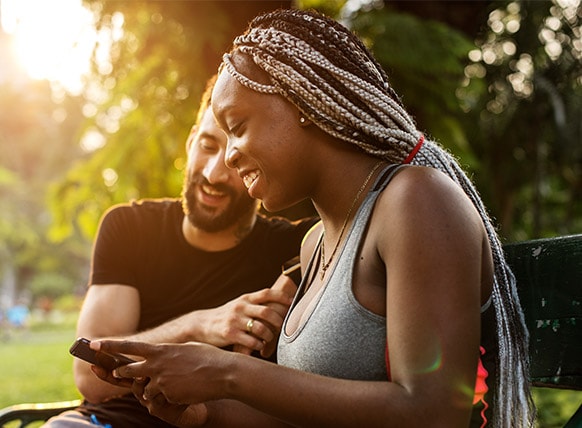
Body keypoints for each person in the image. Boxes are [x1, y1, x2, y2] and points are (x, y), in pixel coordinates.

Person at [92, 8, 536, 427]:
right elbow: (306, 416)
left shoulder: (416, 201)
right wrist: (205, 414)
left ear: (303, 103)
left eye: (238, 127)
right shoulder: (315, 244)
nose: (229, 157)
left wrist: (230, 374)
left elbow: (434, 413)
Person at [42, 75, 317, 428]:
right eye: (207, 146)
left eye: (237, 157)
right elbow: (89, 377)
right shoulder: (129, 226)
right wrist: (199, 325)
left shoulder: (299, 248)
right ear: (190, 143)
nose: (215, 173)